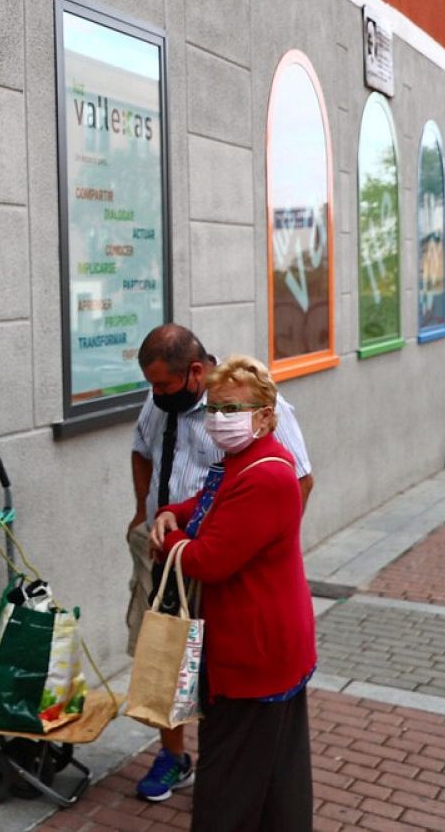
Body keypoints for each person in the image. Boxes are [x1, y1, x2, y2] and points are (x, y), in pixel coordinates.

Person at [125, 324, 313, 803]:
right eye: (151, 385)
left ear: (194, 372)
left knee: (214, 667)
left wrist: (259, 547)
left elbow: (299, 480)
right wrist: (146, 510)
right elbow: (142, 451)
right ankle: (173, 756)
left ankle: (219, 750)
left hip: (215, 560)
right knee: (164, 654)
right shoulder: (158, 399)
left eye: (164, 384)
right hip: (169, 545)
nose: (157, 393)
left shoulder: (255, 405)